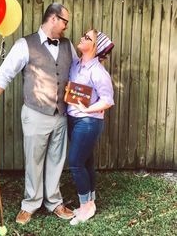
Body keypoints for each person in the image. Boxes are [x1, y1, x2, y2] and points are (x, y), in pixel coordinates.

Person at [0, 3, 78, 225]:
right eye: (65, 21)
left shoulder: (68, 45)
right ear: (53, 19)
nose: (66, 26)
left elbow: (78, 71)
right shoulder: (24, 44)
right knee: (33, 161)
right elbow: (5, 74)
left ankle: (54, 202)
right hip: (35, 113)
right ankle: (30, 204)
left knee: (56, 160)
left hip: (61, 115)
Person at [66, 29, 114, 225]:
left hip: (88, 122)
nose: (82, 38)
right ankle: (90, 202)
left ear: (95, 47)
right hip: (73, 119)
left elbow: (108, 101)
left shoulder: (98, 72)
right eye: (84, 35)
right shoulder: (76, 63)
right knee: (86, 162)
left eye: (88, 38)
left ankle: (86, 207)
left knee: (76, 163)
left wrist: (87, 111)